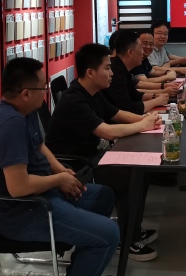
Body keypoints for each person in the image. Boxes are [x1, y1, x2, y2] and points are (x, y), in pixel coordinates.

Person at [0, 57, 119, 276]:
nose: (45, 92)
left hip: (44, 195)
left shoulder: (25, 111)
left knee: (104, 196)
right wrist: (59, 180)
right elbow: (19, 187)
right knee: (109, 234)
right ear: (26, 93)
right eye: (42, 88)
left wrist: (60, 170)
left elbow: (40, 145)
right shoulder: (10, 125)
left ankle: (83, 256)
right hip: (27, 213)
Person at [46, 43, 163, 261]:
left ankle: (132, 230)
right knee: (128, 176)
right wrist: (142, 124)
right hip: (75, 165)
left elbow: (117, 114)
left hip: (91, 155)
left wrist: (146, 120)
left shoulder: (93, 92)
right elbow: (106, 131)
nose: (112, 73)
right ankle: (126, 241)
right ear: (91, 72)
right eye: (107, 68)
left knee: (141, 172)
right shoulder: (75, 99)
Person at [102, 30, 171, 113]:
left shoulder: (123, 67)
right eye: (141, 48)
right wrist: (156, 101)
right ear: (130, 52)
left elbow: (134, 94)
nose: (143, 52)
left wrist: (155, 96)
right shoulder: (115, 71)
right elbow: (128, 108)